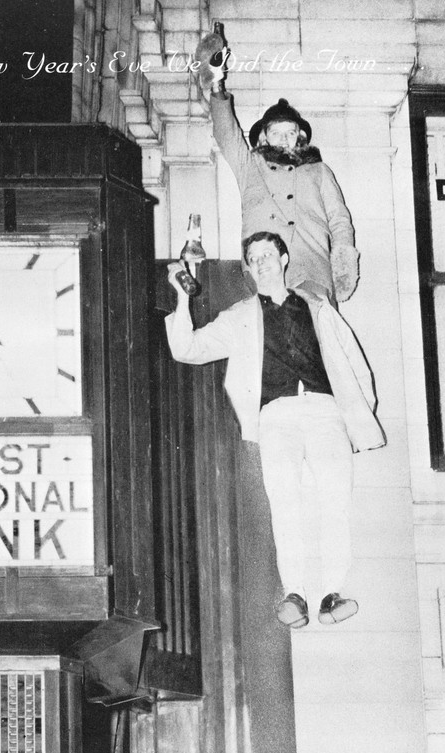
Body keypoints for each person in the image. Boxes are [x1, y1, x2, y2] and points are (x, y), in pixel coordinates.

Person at [165, 231, 385, 629]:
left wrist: (358, 417)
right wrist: (182, 298)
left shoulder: (317, 305)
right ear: (249, 269)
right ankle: (295, 594)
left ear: (284, 260)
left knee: (335, 500)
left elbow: (355, 361)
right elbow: (186, 349)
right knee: (285, 502)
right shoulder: (239, 316)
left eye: (268, 254)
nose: (262, 262)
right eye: (254, 258)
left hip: (326, 411)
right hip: (276, 416)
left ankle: (332, 594)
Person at [198, 45, 359, 302]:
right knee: (270, 327)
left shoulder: (319, 171)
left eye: (290, 132)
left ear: (299, 137)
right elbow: (227, 134)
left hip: (311, 268)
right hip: (263, 267)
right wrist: (217, 83)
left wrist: (343, 270)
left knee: (314, 328)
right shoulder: (250, 165)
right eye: (276, 133)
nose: (284, 139)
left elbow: (339, 221)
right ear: (264, 138)